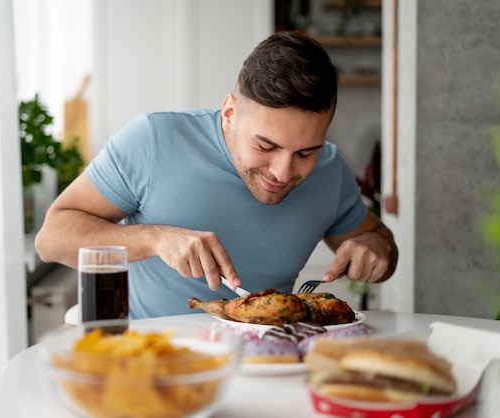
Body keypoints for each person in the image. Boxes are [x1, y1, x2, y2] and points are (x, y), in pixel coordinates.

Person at [35, 31, 399, 319]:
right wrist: (156, 239)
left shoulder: (330, 170)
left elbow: (380, 243)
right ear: (229, 112)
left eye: (306, 152)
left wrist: (377, 250)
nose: (283, 172)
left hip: (271, 364)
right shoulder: (153, 140)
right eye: (266, 146)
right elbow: (51, 239)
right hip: (154, 365)